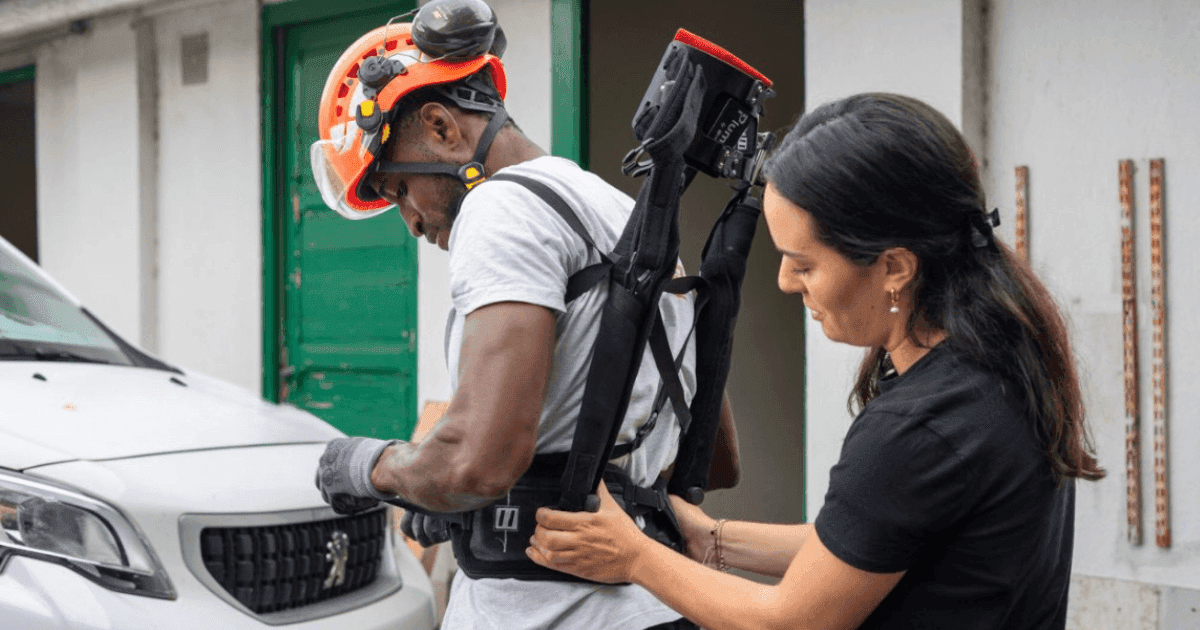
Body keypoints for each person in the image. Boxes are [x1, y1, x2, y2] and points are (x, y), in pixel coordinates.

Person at [526, 92, 1105, 630]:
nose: (784, 282)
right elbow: (868, 539)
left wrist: (633, 557)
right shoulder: (998, 366)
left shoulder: (918, 426)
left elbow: (792, 620)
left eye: (804, 265)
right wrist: (713, 539)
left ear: (895, 267)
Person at [310, 2, 739, 629]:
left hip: (548, 612)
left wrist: (372, 467)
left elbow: (478, 460)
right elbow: (716, 459)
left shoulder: (500, 209)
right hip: (654, 608)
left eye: (399, 187)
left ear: (440, 127)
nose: (409, 220)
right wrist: (496, 498)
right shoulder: (620, 213)